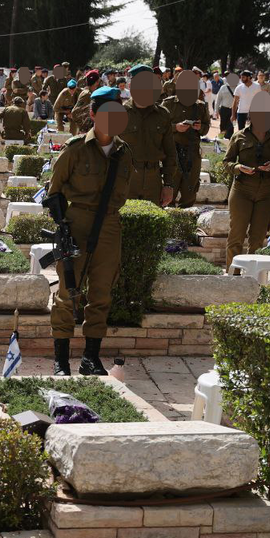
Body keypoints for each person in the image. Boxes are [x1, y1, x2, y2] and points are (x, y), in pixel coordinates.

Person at [45, 86, 133, 377]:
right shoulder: (75, 149)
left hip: (110, 225)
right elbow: (54, 192)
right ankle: (61, 361)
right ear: (93, 114)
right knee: (67, 293)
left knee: (101, 294)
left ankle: (90, 358)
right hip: (77, 223)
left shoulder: (124, 153)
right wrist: (63, 228)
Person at [224, 92, 270, 267]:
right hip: (242, 190)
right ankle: (233, 275)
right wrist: (239, 167)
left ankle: (252, 275)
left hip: (265, 192)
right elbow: (227, 162)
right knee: (236, 236)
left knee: (258, 238)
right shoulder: (239, 136)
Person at [120, 65, 177, 206]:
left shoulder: (162, 115)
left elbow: (170, 152)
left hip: (153, 181)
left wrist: (168, 184)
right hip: (125, 180)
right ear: (131, 86)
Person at [161, 70, 210, 207]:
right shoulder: (169, 104)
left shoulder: (200, 106)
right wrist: (176, 127)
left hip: (192, 154)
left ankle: (186, 218)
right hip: (173, 153)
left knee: (190, 192)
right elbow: (158, 126)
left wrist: (199, 127)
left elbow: (206, 128)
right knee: (169, 191)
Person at [70, 70, 101, 135]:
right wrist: (82, 128)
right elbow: (74, 112)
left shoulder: (91, 93)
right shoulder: (87, 94)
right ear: (96, 82)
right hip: (86, 131)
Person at [215, 72, 239, 139]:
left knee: (230, 126)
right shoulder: (223, 87)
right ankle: (222, 139)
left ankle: (229, 139)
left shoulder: (238, 88)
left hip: (233, 110)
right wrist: (216, 111)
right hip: (224, 109)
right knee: (223, 125)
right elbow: (218, 99)